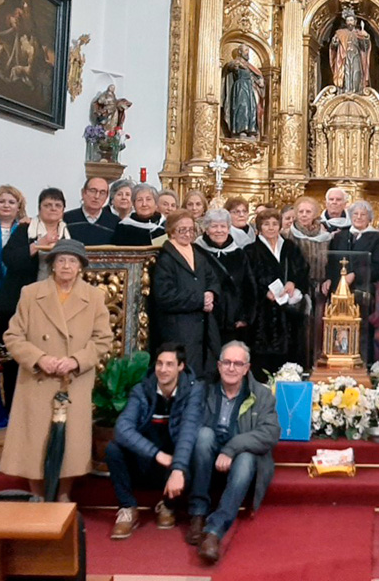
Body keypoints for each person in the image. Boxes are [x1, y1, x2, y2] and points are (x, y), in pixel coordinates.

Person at [0, 239, 112, 500]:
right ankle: (37, 495)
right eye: (60, 260)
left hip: (73, 379)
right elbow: (13, 336)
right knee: (34, 441)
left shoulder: (94, 296)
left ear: (80, 267)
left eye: (72, 261)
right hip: (38, 377)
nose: (66, 266)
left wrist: (75, 360)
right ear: (51, 265)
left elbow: (103, 338)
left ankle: (63, 494)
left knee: (70, 443)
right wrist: (39, 358)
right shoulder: (31, 293)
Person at [187, 341, 280, 562]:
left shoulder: (262, 394)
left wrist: (232, 448)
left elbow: (270, 433)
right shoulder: (203, 389)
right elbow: (189, 425)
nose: (231, 368)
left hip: (240, 455)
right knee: (203, 436)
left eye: (238, 364)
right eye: (227, 362)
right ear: (219, 366)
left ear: (247, 368)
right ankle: (198, 513)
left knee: (247, 458)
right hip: (207, 453)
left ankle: (214, 532)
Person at [108, 343, 205, 539]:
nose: (163, 369)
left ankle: (168, 506)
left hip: (175, 462)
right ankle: (128, 508)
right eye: (159, 364)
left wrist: (177, 467)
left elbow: (188, 431)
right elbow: (122, 428)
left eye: (170, 364)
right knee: (113, 449)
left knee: (197, 447)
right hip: (148, 459)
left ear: (181, 366)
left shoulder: (193, 391)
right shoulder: (142, 390)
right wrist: (157, 454)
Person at [0, 187, 70, 408]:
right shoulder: (25, 229)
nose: (53, 209)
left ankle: (42, 406)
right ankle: (12, 409)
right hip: (18, 304)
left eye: (58, 205)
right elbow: (10, 258)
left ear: (64, 209)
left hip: (55, 306)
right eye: (48, 205)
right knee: (16, 358)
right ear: (39, 209)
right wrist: (38, 245)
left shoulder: (69, 232)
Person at [151, 210, 222, 378]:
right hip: (179, 329)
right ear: (171, 231)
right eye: (182, 229)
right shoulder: (166, 258)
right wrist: (199, 300)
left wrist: (211, 293)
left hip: (203, 327)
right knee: (183, 377)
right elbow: (164, 295)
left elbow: (212, 278)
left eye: (191, 229)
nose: (188, 234)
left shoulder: (197, 253)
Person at [245, 208, 310, 376]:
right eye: (266, 224)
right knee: (264, 359)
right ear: (259, 227)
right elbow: (247, 279)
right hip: (263, 313)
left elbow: (303, 269)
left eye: (275, 223)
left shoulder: (290, 247)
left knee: (290, 357)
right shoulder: (250, 250)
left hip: (289, 311)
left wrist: (293, 283)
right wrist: (263, 293)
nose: (271, 228)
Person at [323, 201, 379, 361]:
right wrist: (329, 278)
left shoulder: (377, 238)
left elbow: (378, 266)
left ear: (370, 218)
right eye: (355, 214)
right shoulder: (340, 236)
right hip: (339, 292)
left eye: (363, 214)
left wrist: (355, 275)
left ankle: (361, 362)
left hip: (362, 292)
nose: (358, 217)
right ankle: (337, 359)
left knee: (361, 331)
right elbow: (331, 261)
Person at [196, 209, 258, 351]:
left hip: (232, 322)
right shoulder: (197, 252)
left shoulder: (239, 254)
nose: (219, 230)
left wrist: (245, 316)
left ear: (229, 229)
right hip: (205, 318)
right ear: (206, 229)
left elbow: (249, 287)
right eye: (214, 226)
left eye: (223, 226)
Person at [0, 184, 27, 294]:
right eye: (1, 201)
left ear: (19, 207)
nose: (6, 205)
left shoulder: (26, 231)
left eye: (11, 202)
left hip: (15, 284)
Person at [222, 45, 265, 138]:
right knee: (242, 107)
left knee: (252, 109)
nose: (247, 53)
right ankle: (241, 130)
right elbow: (229, 66)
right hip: (240, 87)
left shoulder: (249, 66)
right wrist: (236, 65)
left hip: (249, 88)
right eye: (245, 51)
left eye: (248, 51)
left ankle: (251, 130)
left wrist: (259, 81)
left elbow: (255, 76)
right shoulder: (236, 62)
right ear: (240, 52)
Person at [64, 177, 118, 245]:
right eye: (93, 191)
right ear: (83, 193)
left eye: (102, 192)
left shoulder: (116, 223)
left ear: (107, 197)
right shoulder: (67, 219)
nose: (97, 196)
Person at [330, 12, 372, 93]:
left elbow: (365, 47)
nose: (349, 22)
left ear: (355, 22)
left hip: (356, 57)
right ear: (346, 22)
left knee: (356, 73)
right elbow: (333, 47)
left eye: (351, 20)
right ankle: (345, 92)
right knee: (346, 74)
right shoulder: (340, 33)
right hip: (344, 57)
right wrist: (334, 41)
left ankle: (356, 92)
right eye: (348, 20)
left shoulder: (359, 33)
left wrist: (366, 37)